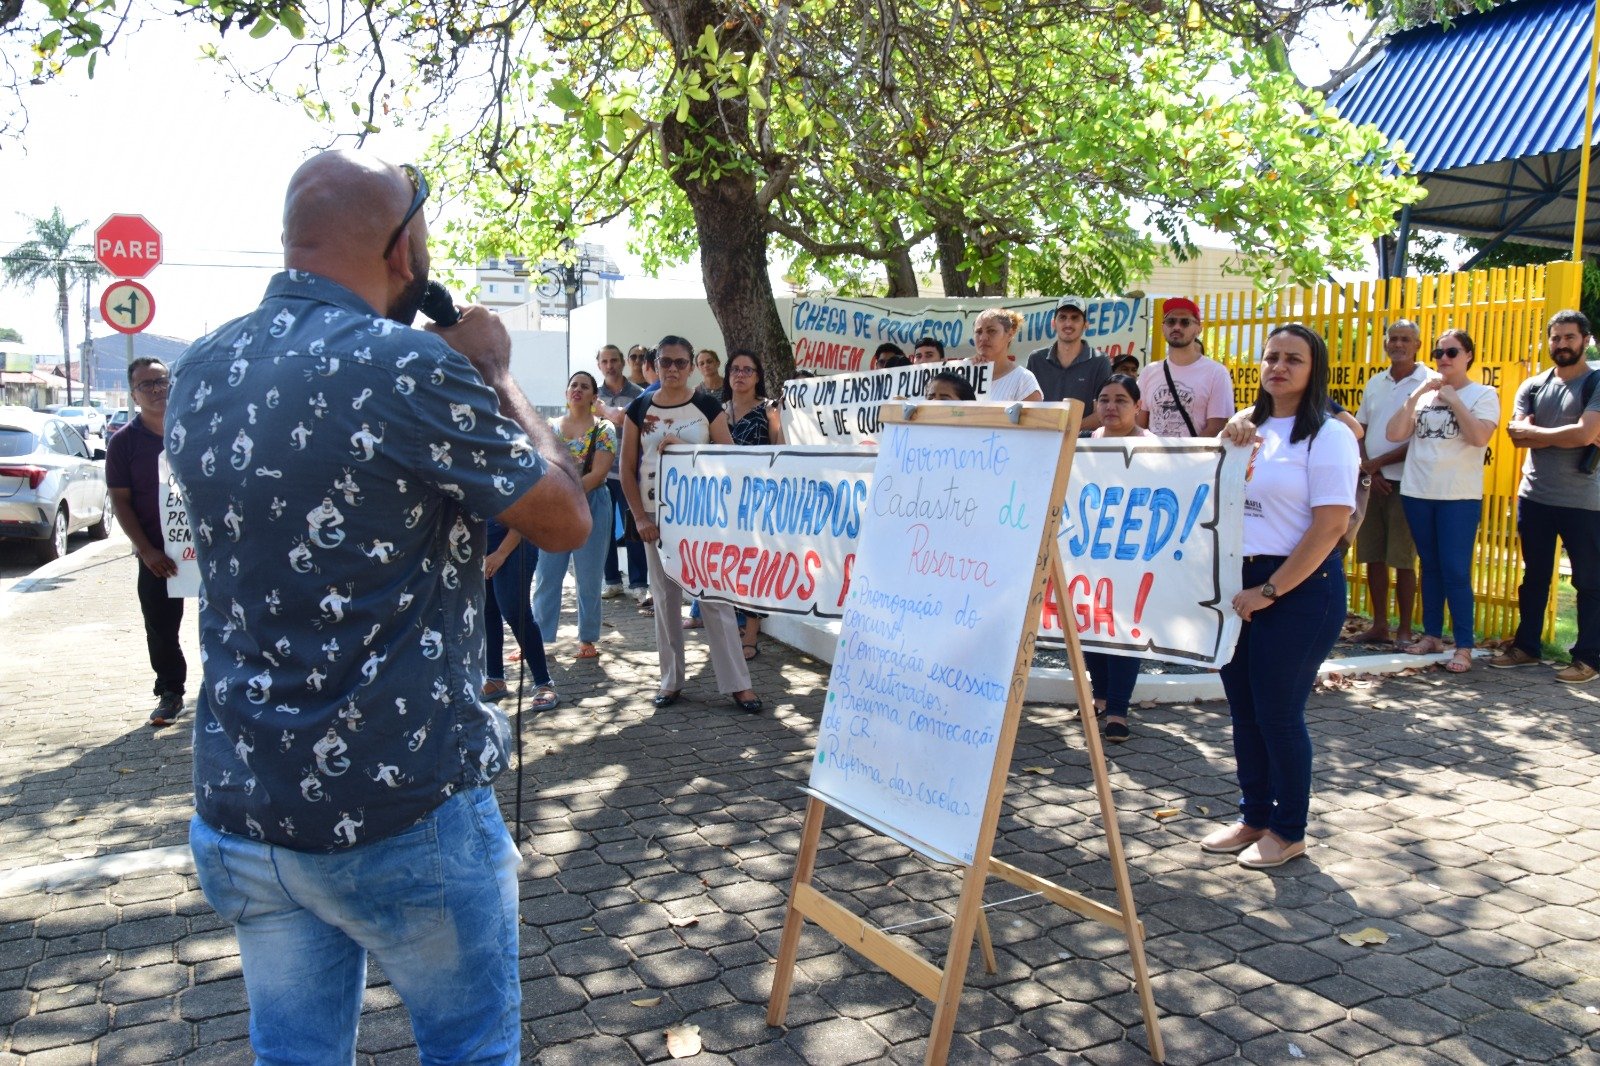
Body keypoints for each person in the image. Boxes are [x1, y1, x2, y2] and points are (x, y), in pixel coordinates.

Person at [167, 150, 589, 1063]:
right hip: (401, 808)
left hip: (245, 806)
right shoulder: (406, 369)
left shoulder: (199, 369)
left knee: (297, 1053)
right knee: (471, 1048)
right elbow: (564, 518)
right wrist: (499, 375)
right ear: (404, 250)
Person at [1204, 323, 1358, 870]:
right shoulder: (1244, 427)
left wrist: (1270, 590)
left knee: (1278, 713)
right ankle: (1254, 818)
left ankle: (1289, 830)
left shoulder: (1329, 434)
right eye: (1271, 357)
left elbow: (1331, 527)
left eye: (1294, 358)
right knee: (1244, 711)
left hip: (1298, 589)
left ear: (1314, 369)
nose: (1280, 367)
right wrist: (1233, 435)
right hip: (1239, 584)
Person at [621, 335, 762, 712]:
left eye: (680, 362)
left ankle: (738, 684)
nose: (672, 369)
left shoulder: (705, 405)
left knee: (714, 598)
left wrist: (685, 449)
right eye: (665, 362)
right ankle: (671, 681)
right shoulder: (639, 406)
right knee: (665, 599)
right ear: (656, 363)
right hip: (654, 517)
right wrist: (638, 517)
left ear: (691, 366)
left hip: (701, 518)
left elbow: (729, 459)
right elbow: (626, 468)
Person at [1491, 309, 1600, 683]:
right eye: (1556, 338)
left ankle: (1587, 659)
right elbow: (1515, 435)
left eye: (1569, 337)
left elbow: (1586, 435)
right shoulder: (1534, 385)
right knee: (1534, 576)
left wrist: (1541, 434)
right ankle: (1526, 648)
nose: (1562, 344)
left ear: (1585, 340)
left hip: (1584, 502)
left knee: (1588, 581)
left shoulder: (1596, 382)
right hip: (1534, 496)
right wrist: (1568, 433)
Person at [1386, 329, 1500, 674]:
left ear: (1468, 355)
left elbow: (1480, 436)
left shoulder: (1483, 394)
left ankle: (1464, 644)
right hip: (1418, 492)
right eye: (1439, 353)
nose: (1444, 359)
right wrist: (1419, 392)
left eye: (1452, 352)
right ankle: (1432, 635)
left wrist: (1454, 400)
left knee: (1454, 570)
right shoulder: (1424, 394)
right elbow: (1394, 433)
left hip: (1457, 496)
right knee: (1430, 567)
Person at [106, 357, 188, 728]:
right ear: (133, 394)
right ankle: (171, 692)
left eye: (161, 381)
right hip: (158, 553)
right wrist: (146, 549)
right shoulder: (123, 443)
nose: (156, 390)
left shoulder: (196, 429)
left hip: (207, 548)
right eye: (146, 385)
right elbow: (120, 500)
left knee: (227, 619)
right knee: (160, 625)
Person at [1079, 374, 1153, 742]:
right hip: (1092, 554)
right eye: (1104, 399)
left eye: (1121, 400)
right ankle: (1100, 697)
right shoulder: (1086, 444)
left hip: (1135, 556)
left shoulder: (1156, 447)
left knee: (1125, 628)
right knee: (1092, 627)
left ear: (1138, 406)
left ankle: (1119, 710)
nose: (1111, 406)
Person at [1348, 320, 1428, 646]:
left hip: (1406, 483)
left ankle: (1404, 629)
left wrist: (1378, 465)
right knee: (1373, 557)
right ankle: (1380, 625)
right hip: (1371, 483)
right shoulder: (1375, 383)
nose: (1398, 344)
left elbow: (1421, 438)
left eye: (1405, 339)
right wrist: (1370, 472)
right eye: (1393, 338)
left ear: (1417, 345)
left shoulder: (1429, 382)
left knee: (1403, 559)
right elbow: (1360, 429)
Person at [534, 371, 617, 661]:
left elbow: (599, 473)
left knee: (589, 575)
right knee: (547, 573)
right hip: (554, 507)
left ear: (595, 396)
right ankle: (539, 638)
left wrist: (567, 493)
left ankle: (588, 639)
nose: (578, 390)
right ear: (566, 392)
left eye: (585, 386)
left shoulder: (604, 429)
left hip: (592, 503)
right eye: (573, 385)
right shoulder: (550, 427)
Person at [718, 348, 784, 658]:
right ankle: (730, 629)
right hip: (722, 500)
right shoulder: (717, 411)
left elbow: (780, 451)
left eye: (748, 370)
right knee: (726, 563)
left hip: (757, 500)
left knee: (753, 564)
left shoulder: (769, 409)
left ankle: (751, 633)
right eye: (735, 369)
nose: (740, 375)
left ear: (757, 377)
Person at [483, 520, 558, 710]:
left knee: (515, 611)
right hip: (478, 542)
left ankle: (543, 683)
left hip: (516, 540)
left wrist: (501, 553)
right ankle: (495, 679)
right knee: (486, 610)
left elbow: (527, 512)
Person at [595, 345, 648, 602]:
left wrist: (604, 411)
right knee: (603, 529)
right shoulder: (591, 394)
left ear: (622, 363)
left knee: (634, 528)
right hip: (601, 474)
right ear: (599, 365)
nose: (610, 365)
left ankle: (639, 584)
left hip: (629, 472)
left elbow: (627, 424)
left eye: (614, 360)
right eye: (604, 361)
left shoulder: (638, 394)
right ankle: (612, 580)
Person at [1137, 297, 1234, 438]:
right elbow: (1140, 424)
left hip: (1195, 458)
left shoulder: (1216, 373)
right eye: (1171, 321)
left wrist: (1185, 458)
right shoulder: (1149, 372)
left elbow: (1216, 428)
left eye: (1185, 322)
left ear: (1198, 329)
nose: (1177, 327)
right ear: (1163, 327)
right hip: (1153, 457)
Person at [1027, 296, 1112, 429]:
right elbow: (1027, 408)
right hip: (1041, 438)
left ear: (1086, 325)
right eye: (1063, 317)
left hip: (1084, 443)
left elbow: (1101, 413)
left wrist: (1067, 430)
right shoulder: (1036, 359)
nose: (1068, 324)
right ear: (1053, 323)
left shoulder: (1100, 361)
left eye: (1075, 318)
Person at [972, 307, 1043, 402]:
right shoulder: (961, 374)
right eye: (978, 332)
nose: (983, 337)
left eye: (991, 331)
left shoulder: (1023, 380)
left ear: (1009, 334)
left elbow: (1034, 416)